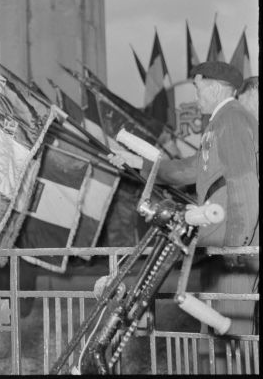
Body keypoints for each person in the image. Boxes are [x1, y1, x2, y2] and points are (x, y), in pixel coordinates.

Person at [110, 61, 258, 372]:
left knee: (231, 335)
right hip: (218, 237)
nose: (196, 96)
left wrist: (235, 247)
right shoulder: (220, 122)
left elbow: (244, 187)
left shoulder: (231, 119)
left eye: (198, 88)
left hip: (231, 241)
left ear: (216, 87)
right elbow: (189, 169)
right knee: (217, 330)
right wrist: (138, 162)